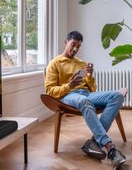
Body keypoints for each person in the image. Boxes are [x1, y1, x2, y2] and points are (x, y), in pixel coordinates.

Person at [45, 30, 127, 169]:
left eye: (78, 46)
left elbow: (92, 90)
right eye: (73, 44)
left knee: (117, 96)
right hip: (67, 96)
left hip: (86, 94)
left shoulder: (81, 63)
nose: (75, 49)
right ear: (66, 42)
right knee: (84, 101)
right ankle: (110, 148)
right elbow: (50, 91)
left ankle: (94, 142)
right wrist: (68, 86)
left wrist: (89, 76)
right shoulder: (55, 63)